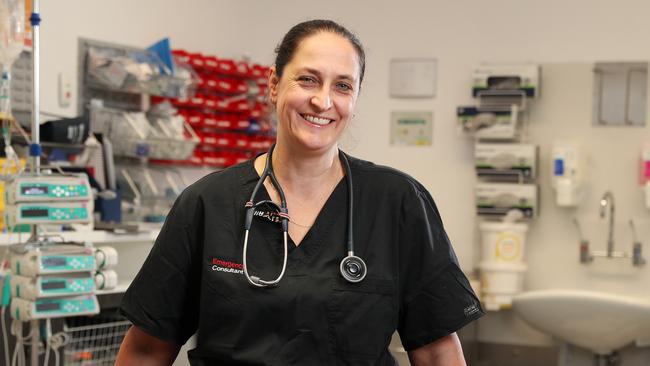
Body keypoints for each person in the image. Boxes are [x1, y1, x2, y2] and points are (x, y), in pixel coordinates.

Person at [116, 19, 483, 366]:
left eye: (342, 86)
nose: (323, 101)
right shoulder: (207, 204)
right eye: (308, 79)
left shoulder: (398, 202)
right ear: (274, 84)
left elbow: (437, 353)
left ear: (354, 100)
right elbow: (146, 350)